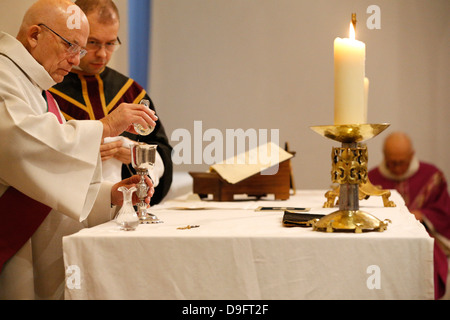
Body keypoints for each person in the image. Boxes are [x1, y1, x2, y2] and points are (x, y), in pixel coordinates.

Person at [0, 0, 157, 299]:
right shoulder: (4, 76)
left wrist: (110, 195)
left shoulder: (36, 87)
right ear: (35, 35)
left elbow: (49, 174)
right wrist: (107, 125)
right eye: (71, 46)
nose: (75, 60)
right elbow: (24, 148)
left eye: (80, 50)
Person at [50, 0, 173, 205]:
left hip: (124, 212)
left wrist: (136, 155)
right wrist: (83, 151)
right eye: (93, 43)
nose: (102, 54)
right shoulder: (49, 88)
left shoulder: (130, 92)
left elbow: (162, 153)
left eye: (110, 43)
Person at [369, 131, 450, 299]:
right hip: (383, 240)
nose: (397, 168)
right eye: (392, 163)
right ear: (384, 156)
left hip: (423, 237)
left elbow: (444, 211)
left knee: (427, 262)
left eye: (402, 162)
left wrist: (423, 215)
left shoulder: (432, 176)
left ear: (412, 155)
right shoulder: (370, 180)